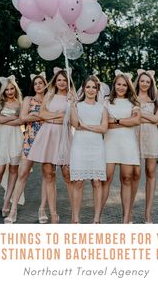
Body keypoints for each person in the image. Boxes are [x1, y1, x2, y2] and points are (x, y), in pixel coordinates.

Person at [27, 67, 77, 223]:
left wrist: (70, 106)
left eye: (64, 80)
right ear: (55, 81)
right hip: (48, 135)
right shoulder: (49, 95)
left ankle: (74, 215)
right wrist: (59, 115)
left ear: (68, 82)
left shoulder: (72, 97)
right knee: (48, 174)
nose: (62, 82)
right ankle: (53, 214)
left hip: (64, 136)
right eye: (59, 79)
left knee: (68, 174)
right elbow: (42, 114)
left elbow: (72, 119)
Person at [4, 73, 49, 224]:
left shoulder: (50, 99)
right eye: (35, 83)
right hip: (30, 139)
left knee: (47, 175)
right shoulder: (29, 99)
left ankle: (42, 209)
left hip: (47, 139)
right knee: (22, 173)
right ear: (33, 86)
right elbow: (23, 118)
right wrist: (43, 116)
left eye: (41, 83)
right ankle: (13, 210)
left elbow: (56, 116)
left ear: (46, 84)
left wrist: (36, 115)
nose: (38, 85)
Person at [102, 70, 141, 223]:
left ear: (128, 87)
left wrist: (116, 121)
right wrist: (126, 121)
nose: (121, 87)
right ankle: (97, 217)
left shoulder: (134, 103)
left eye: (124, 85)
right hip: (110, 143)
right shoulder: (106, 101)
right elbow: (105, 124)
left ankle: (126, 219)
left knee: (127, 178)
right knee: (106, 179)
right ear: (114, 85)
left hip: (128, 143)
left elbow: (136, 121)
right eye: (118, 84)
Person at [70, 75, 108, 223]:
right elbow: (74, 124)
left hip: (97, 146)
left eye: (94, 87)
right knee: (78, 182)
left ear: (97, 89)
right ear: (84, 89)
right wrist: (72, 106)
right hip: (80, 146)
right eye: (88, 87)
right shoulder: (77, 106)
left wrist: (85, 126)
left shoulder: (102, 108)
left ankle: (96, 218)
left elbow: (104, 128)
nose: (91, 90)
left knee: (97, 182)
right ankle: (75, 218)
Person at [0, 75, 23, 217]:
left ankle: (7, 202)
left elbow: (21, 122)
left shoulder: (20, 103)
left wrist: (5, 120)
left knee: (14, 169)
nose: (9, 91)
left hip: (16, 138)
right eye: (7, 89)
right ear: (3, 91)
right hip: (2, 139)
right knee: (0, 169)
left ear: (15, 88)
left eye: (12, 88)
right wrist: (13, 118)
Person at [134, 69, 158, 223]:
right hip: (134, 136)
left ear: (151, 83)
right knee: (135, 174)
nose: (144, 84)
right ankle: (129, 213)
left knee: (151, 172)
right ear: (138, 81)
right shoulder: (132, 98)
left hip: (151, 137)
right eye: (142, 80)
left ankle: (148, 213)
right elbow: (131, 118)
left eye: (148, 81)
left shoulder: (154, 99)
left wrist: (141, 115)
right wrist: (150, 118)